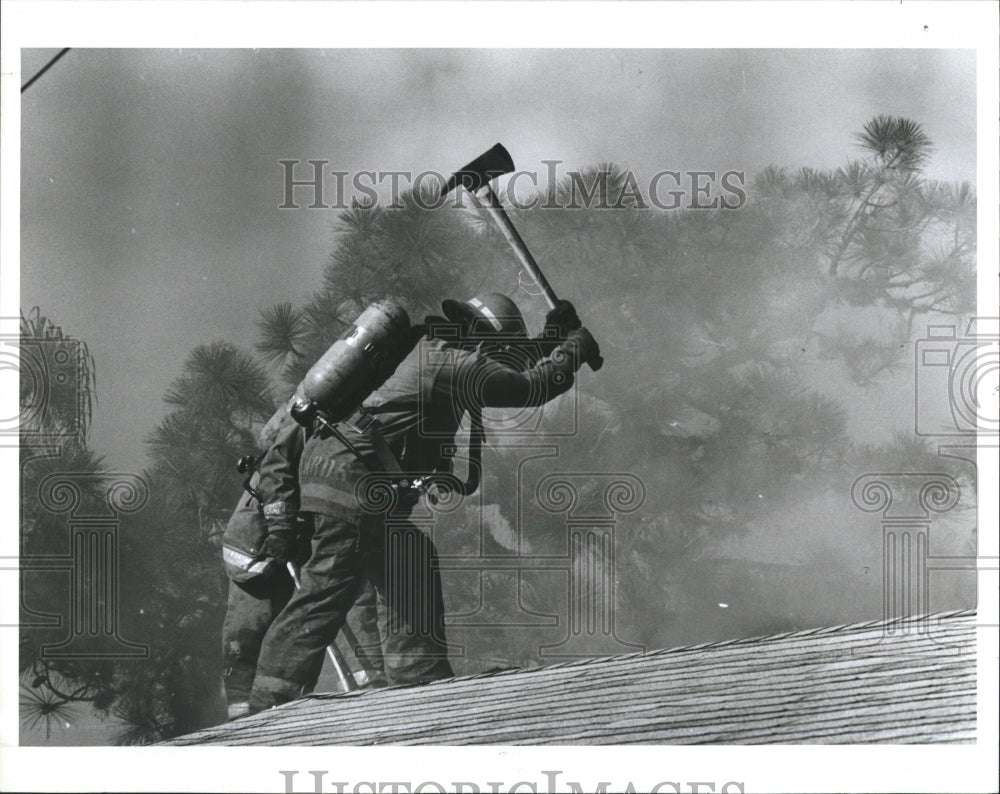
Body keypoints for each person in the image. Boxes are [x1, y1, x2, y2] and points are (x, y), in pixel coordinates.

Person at [248, 293, 600, 712]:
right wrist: (574, 350)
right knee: (328, 588)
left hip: (350, 478)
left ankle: (418, 681)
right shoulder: (452, 364)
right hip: (350, 483)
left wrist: (552, 340)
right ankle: (270, 703)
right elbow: (528, 386)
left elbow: (508, 366)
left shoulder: (433, 352)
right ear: (486, 340)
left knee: (410, 557)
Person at [221, 408, 385, 720]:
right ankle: (246, 715)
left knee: (342, 596)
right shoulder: (308, 417)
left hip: (310, 530)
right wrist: (281, 529)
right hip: (259, 544)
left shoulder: (343, 417)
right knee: (250, 629)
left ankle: (370, 688)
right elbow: (276, 467)